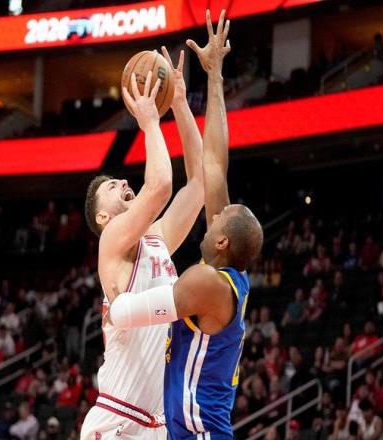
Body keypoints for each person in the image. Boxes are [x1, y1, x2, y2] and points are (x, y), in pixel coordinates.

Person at [108, 10, 263, 439]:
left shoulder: (206, 283)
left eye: (219, 219)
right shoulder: (227, 275)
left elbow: (126, 313)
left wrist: (112, 290)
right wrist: (211, 78)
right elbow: (213, 164)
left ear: (223, 241)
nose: (213, 216)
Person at [80, 43, 204, 439]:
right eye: (111, 188)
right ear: (103, 217)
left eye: (119, 180)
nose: (122, 182)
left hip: (156, 423)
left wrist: (180, 103)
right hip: (117, 418)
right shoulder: (112, 240)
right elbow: (161, 185)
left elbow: (198, 185)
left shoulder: (157, 240)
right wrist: (150, 121)